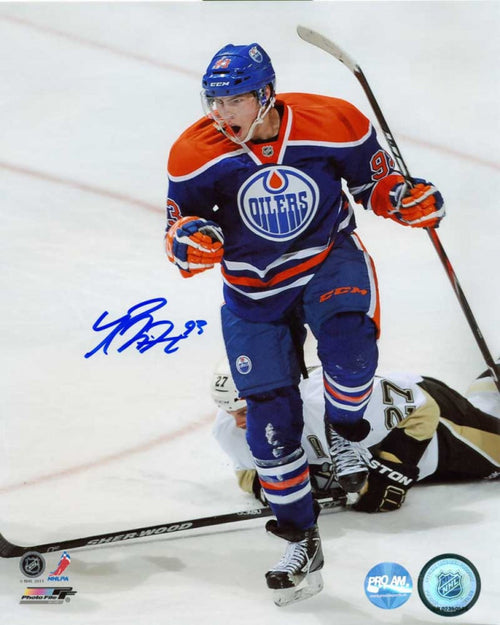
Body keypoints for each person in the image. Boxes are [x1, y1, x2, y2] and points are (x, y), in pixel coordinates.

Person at [165, 42, 445, 602]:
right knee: (269, 425)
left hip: (327, 260)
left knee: (350, 352)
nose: (220, 114)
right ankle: (300, 538)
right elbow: (178, 225)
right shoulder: (194, 152)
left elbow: (374, 183)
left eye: (234, 101)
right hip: (251, 289)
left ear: (265, 94)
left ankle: (345, 437)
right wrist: (189, 244)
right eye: (213, 101)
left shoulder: (332, 121)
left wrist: (404, 198)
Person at [211, 359, 500, 511]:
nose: (238, 423)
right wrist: (273, 490)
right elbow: (246, 472)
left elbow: (423, 409)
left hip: (436, 426)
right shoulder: (229, 427)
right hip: (414, 458)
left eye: (245, 412)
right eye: (230, 412)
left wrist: (392, 473)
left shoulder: (322, 400)